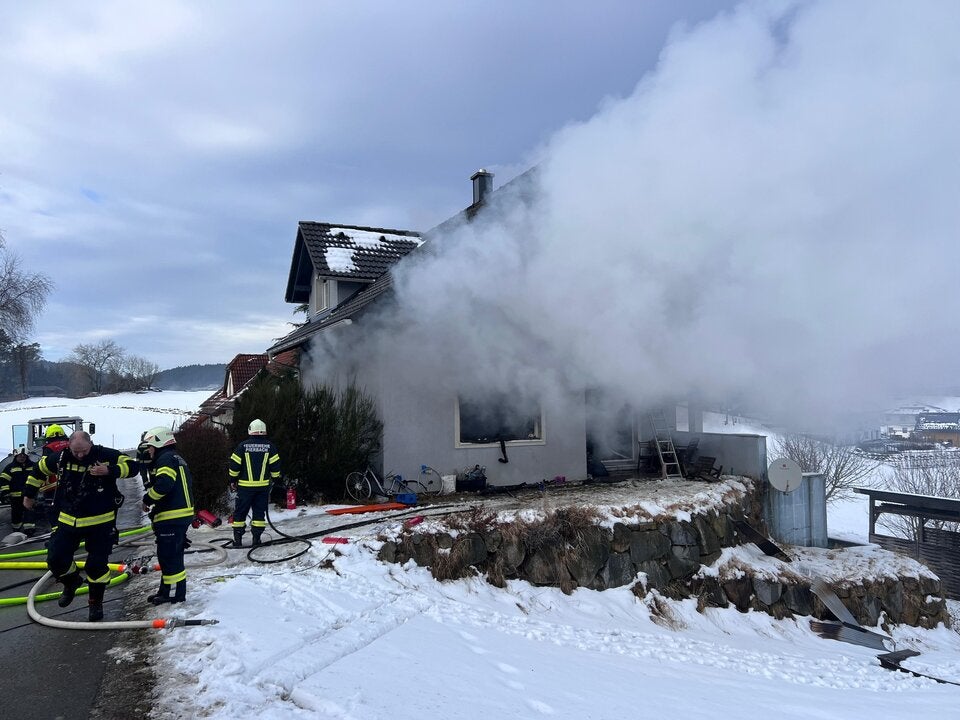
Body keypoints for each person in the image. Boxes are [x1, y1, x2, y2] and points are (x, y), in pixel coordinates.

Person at [23, 431, 138, 621]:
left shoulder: (105, 455)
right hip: (68, 520)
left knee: (96, 566)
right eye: (76, 452)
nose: (80, 455)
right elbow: (39, 470)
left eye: (84, 451)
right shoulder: (60, 458)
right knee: (56, 558)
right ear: (69, 446)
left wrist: (110, 471)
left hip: (101, 522)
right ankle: (71, 581)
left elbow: (133, 466)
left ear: (91, 444)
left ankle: (95, 603)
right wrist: (28, 494)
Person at [138, 426, 194, 605]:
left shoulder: (165, 459)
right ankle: (166, 591)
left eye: (150, 446)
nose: (149, 450)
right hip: (179, 514)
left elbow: (165, 484)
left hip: (172, 516)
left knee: (169, 557)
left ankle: (175, 595)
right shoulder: (176, 458)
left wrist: (148, 498)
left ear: (158, 443)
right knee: (170, 555)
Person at [228, 419, 281, 548]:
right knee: (258, 514)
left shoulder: (242, 446)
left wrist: (232, 480)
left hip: (245, 488)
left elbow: (234, 466)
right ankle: (256, 540)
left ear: (250, 430)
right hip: (262, 488)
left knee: (240, 513)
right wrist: (275, 479)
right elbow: (275, 467)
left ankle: (238, 540)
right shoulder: (270, 447)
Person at [0, 447, 38, 535]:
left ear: (27, 456)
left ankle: (29, 529)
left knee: (29, 511)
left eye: (23, 455)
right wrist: (5, 493)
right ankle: (16, 529)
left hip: (29, 495)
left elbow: (39, 477)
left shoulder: (33, 466)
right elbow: (3, 480)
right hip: (15, 497)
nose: (22, 457)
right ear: (15, 456)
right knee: (16, 513)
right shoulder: (10, 467)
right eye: (20, 455)